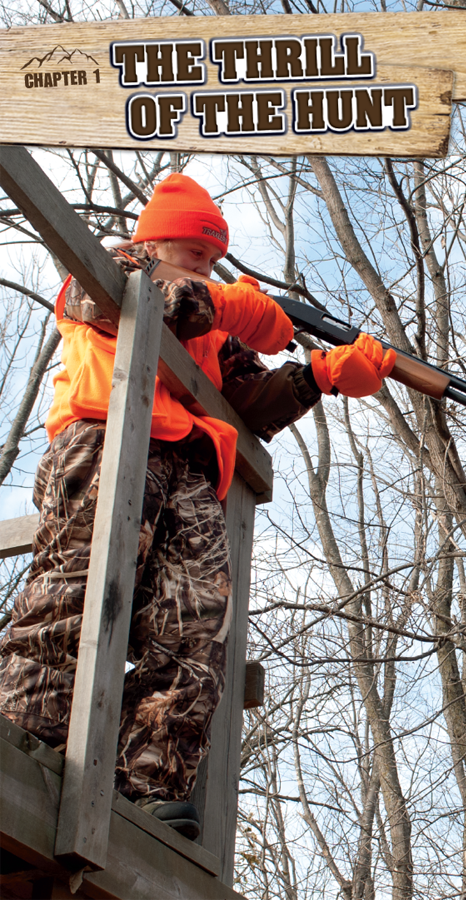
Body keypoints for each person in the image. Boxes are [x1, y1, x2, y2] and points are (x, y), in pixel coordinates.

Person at [0, 173, 395, 839]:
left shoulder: (219, 327)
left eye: (214, 259)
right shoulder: (111, 265)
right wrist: (238, 303)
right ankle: (20, 737)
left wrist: (324, 375)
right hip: (105, 444)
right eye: (194, 252)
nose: (205, 267)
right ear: (155, 240)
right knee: (75, 594)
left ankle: (146, 784)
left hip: (188, 472)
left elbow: (248, 402)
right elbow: (163, 302)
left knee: (195, 626)